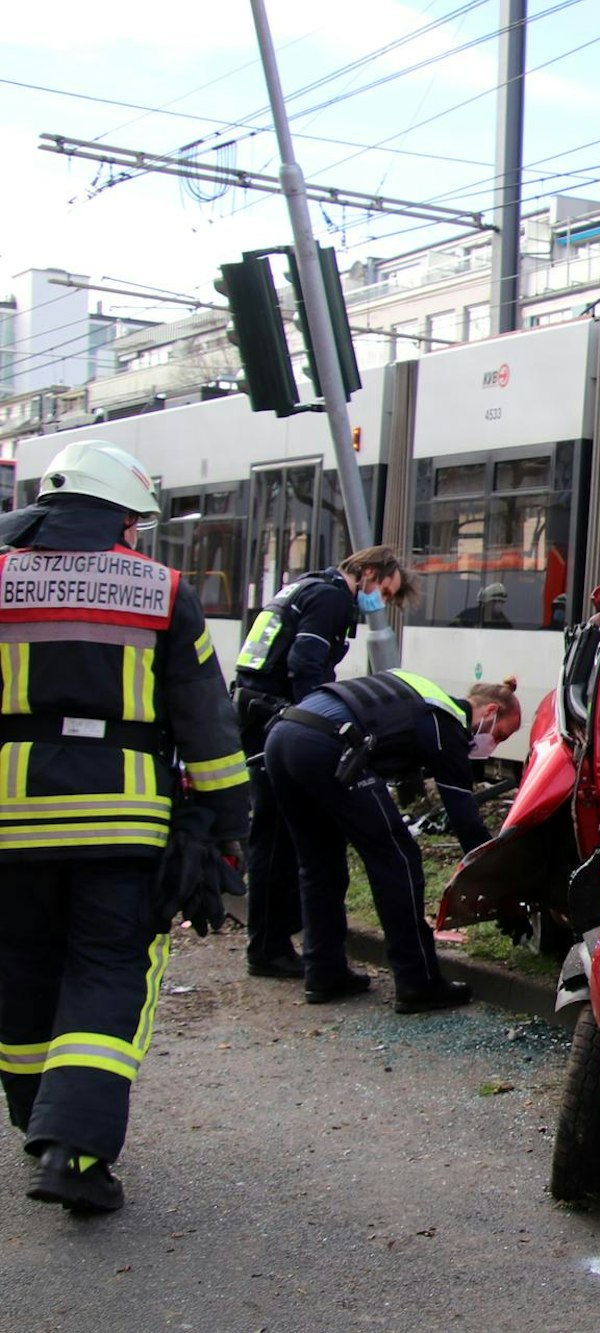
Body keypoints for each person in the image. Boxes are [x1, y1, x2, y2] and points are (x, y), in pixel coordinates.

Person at [0, 440, 250, 1214]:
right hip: (123, 823)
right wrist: (226, 825)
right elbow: (206, 721)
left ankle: (36, 1116)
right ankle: (73, 1150)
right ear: (122, 518)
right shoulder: (161, 589)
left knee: (20, 968)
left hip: (10, 819)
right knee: (109, 974)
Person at [260, 669, 521, 1012]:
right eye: (500, 734)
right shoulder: (446, 723)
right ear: (490, 711)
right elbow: (466, 821)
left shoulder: (425, 696)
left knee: (319, 864)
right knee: (397, 859)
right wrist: (502, 886)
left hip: (282, 736)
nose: (494, 745)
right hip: (327, 744)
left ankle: (324, 972)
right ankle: (418, 982)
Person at [231, 545, 411, 981]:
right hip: (273, 718)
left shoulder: (309, 586)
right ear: (369, 572)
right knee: (276, 840)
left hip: (258, 713)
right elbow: (305, 665)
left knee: (272, 836)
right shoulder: (331, 598)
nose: (381, 602)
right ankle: (269, 948)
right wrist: (319, 723)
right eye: (385, 592)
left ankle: (269, 943)